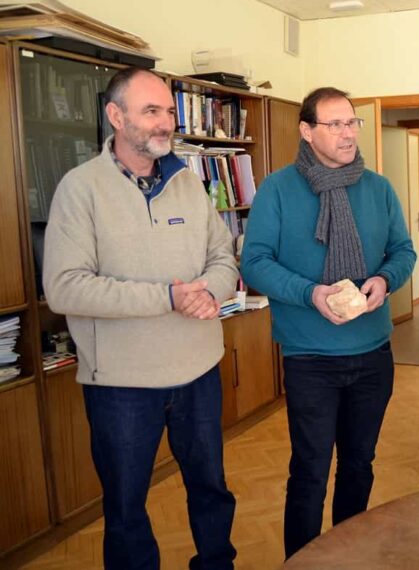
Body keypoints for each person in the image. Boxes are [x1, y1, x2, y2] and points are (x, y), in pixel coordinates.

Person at [43, 67, 238, 569]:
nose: (165, 122)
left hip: (198, 371)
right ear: (116, 116)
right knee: (126, 509)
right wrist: (168, 296)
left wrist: (211, 291)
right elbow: (65, 287)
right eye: (152, 110)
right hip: (121, 386)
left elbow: (223, 257)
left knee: (211, 490)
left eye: (170, 111)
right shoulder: (79, 188)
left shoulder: (188, 184)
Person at [240, 87, 416, 559]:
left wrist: (384, 279)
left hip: (373, 353)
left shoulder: (378, 188)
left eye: (351, 123)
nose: (347, 133)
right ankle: (301, 561)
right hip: (309, 357)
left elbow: (404, 251)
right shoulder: (278, 189)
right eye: (334, 124)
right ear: (307, 130)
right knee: (311, 471)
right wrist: (309, 293)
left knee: (359, 465)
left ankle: (349, 555)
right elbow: (254, 262)